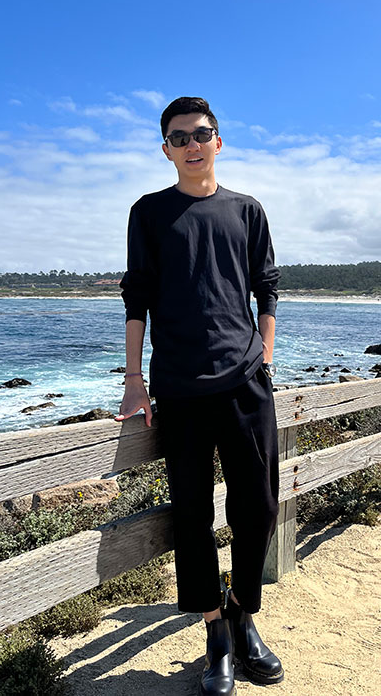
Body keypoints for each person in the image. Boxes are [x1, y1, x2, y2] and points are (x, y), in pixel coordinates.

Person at [116, 96, 284, 695]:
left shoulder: (247, 211)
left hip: (244, 383)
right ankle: (215, 632)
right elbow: (137, 300)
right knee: (191, 513)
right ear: (166, 148)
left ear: (219, 141)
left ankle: (242, 613)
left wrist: (263, 358)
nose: (192, 143)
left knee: (259, 506)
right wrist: (135, 381)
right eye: (179, 136)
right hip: (180, 388)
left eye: (202, 133)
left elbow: (266, 290)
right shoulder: (149, 213)